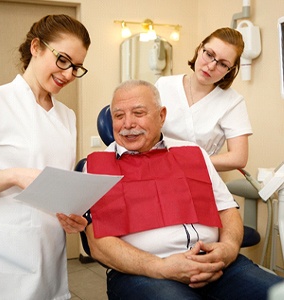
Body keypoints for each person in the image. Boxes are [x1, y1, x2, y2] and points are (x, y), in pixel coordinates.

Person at [58, 80, 283, 300]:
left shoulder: (193, 153)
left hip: (217, 263)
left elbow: (227, 209)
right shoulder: (97, 166)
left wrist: (229, 248)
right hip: (144, 272)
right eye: (118, 116)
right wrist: (162, 267)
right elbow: (99, 245)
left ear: (161, 116)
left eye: (138, 113)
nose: (127, 124)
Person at [0, 14, 90, 300]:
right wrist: (14, 176)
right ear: (36, 47)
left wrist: (74, 215)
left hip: (50, 250)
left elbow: (56, 184)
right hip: (4, 253)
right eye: (63, 60)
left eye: (77, 67)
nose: (68, 74)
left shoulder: (67, 116)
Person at [155, 27, 252, 172]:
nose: (211, 66)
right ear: (200, 49)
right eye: (209, 54)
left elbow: (239, 157)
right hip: (157, 168)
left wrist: (190, 162)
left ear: (229, 71)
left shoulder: (232, 102)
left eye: (223, 64)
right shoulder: (164, 85)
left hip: (199, 175)